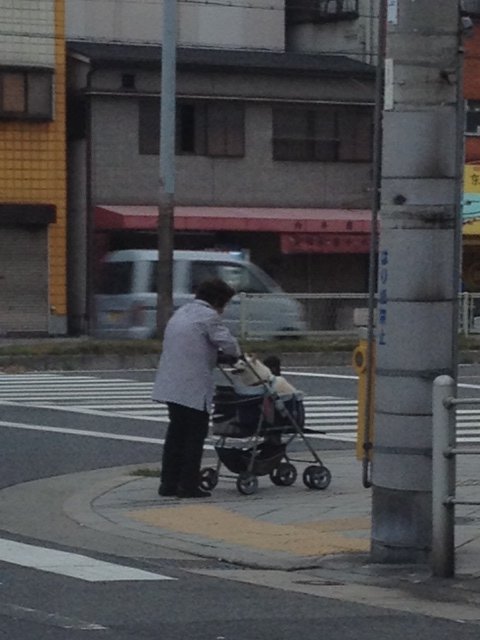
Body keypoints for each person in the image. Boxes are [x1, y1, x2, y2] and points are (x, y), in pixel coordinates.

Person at [152, 278, 241, 498]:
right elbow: (229, 344)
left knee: (176, 434)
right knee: (194, 436)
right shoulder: (208, 316)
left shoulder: (181, 312)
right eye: (224, 304)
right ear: (218, 301)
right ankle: (188, 485)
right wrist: (235, 355)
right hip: (192, 385)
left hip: (171, 383)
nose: (223, 310)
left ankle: (168, 483)